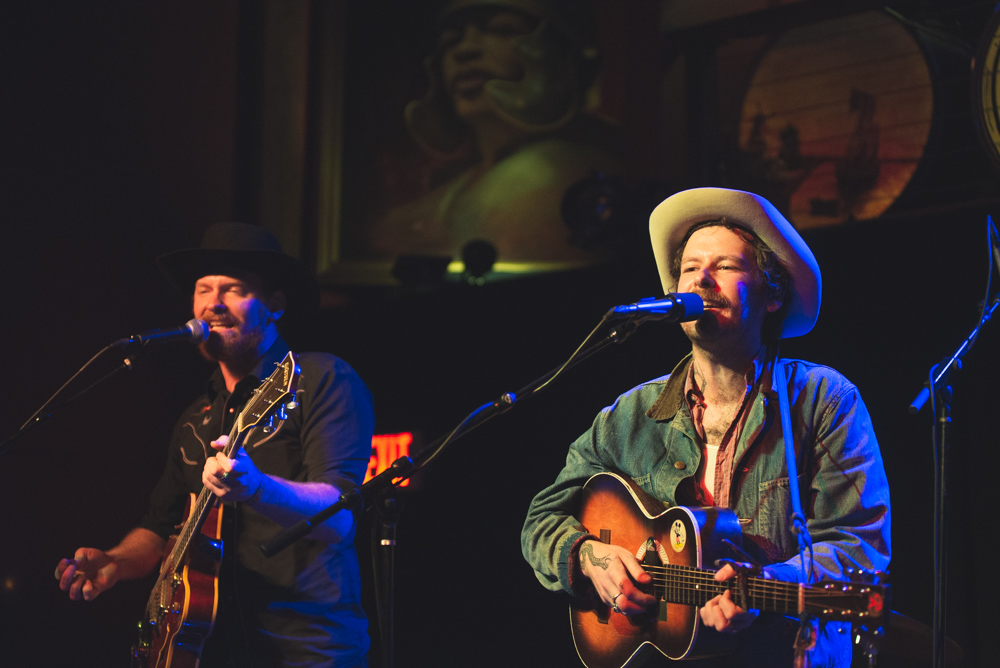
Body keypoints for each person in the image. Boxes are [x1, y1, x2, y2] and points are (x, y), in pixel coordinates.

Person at [521, 188, 890, 666]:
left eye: (726, 266)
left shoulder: (822, 400)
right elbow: (540, 520)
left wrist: (771, 583)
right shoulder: (630, 415)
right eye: (690, 268)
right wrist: (593, 557)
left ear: (771, 293)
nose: (701, 280)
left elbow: (859, 546)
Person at [54, 223, 375, 667]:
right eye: (203, 289)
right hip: (211, 647)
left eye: (234, 289)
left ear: (274, 307)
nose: (213, 303)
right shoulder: (194, 418)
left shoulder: (319, 380)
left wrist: (256, 487)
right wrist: (115, 561)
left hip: (305, 648)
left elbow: (339, 514)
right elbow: (161, 526)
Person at [366, 0, 622, 267]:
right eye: (450, 40)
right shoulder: (453, 186)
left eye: (502, 29)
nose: (464, 50)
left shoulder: (560, 174)